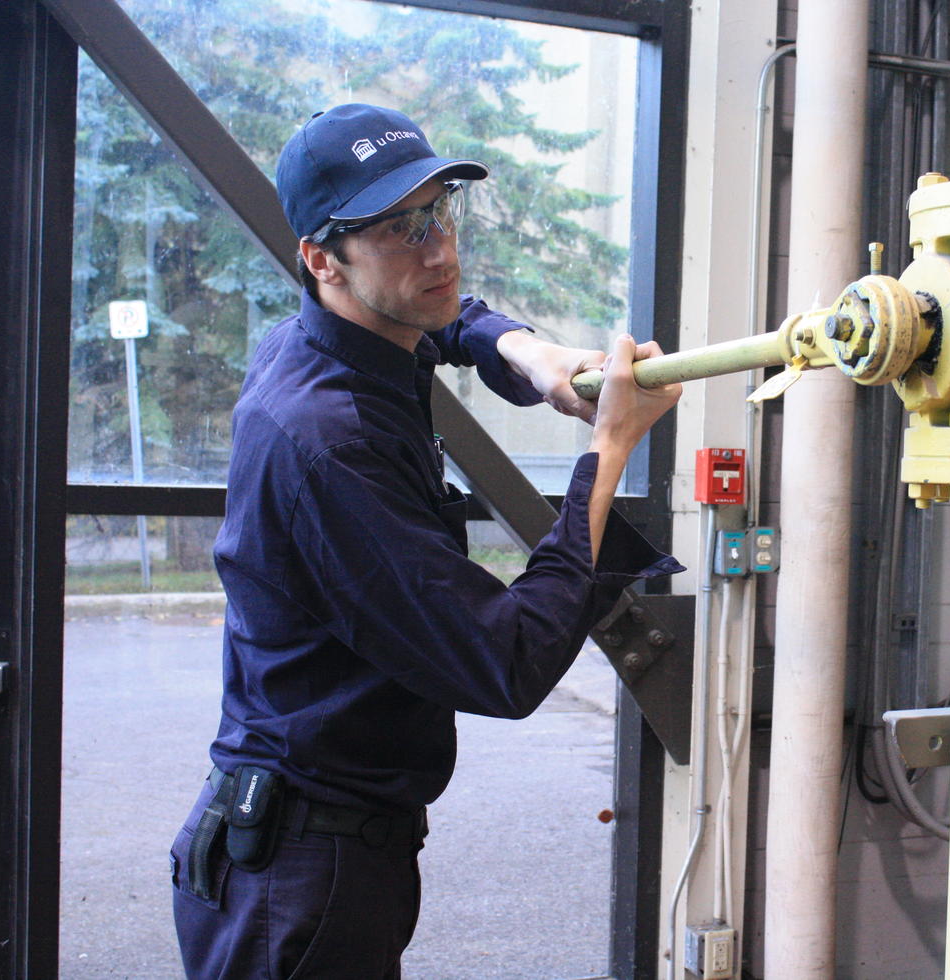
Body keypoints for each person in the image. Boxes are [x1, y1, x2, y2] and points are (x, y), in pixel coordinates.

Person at [168, 102, 683, 978]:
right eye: (400, 229)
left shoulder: (328, 338)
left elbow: (443, 314)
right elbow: (504, 662)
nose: (438, 248)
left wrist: (523, 350)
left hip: (316, 849)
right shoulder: (328, 440)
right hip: (300, 881)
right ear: (322, 258)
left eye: (440, 210)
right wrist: (610, 450)